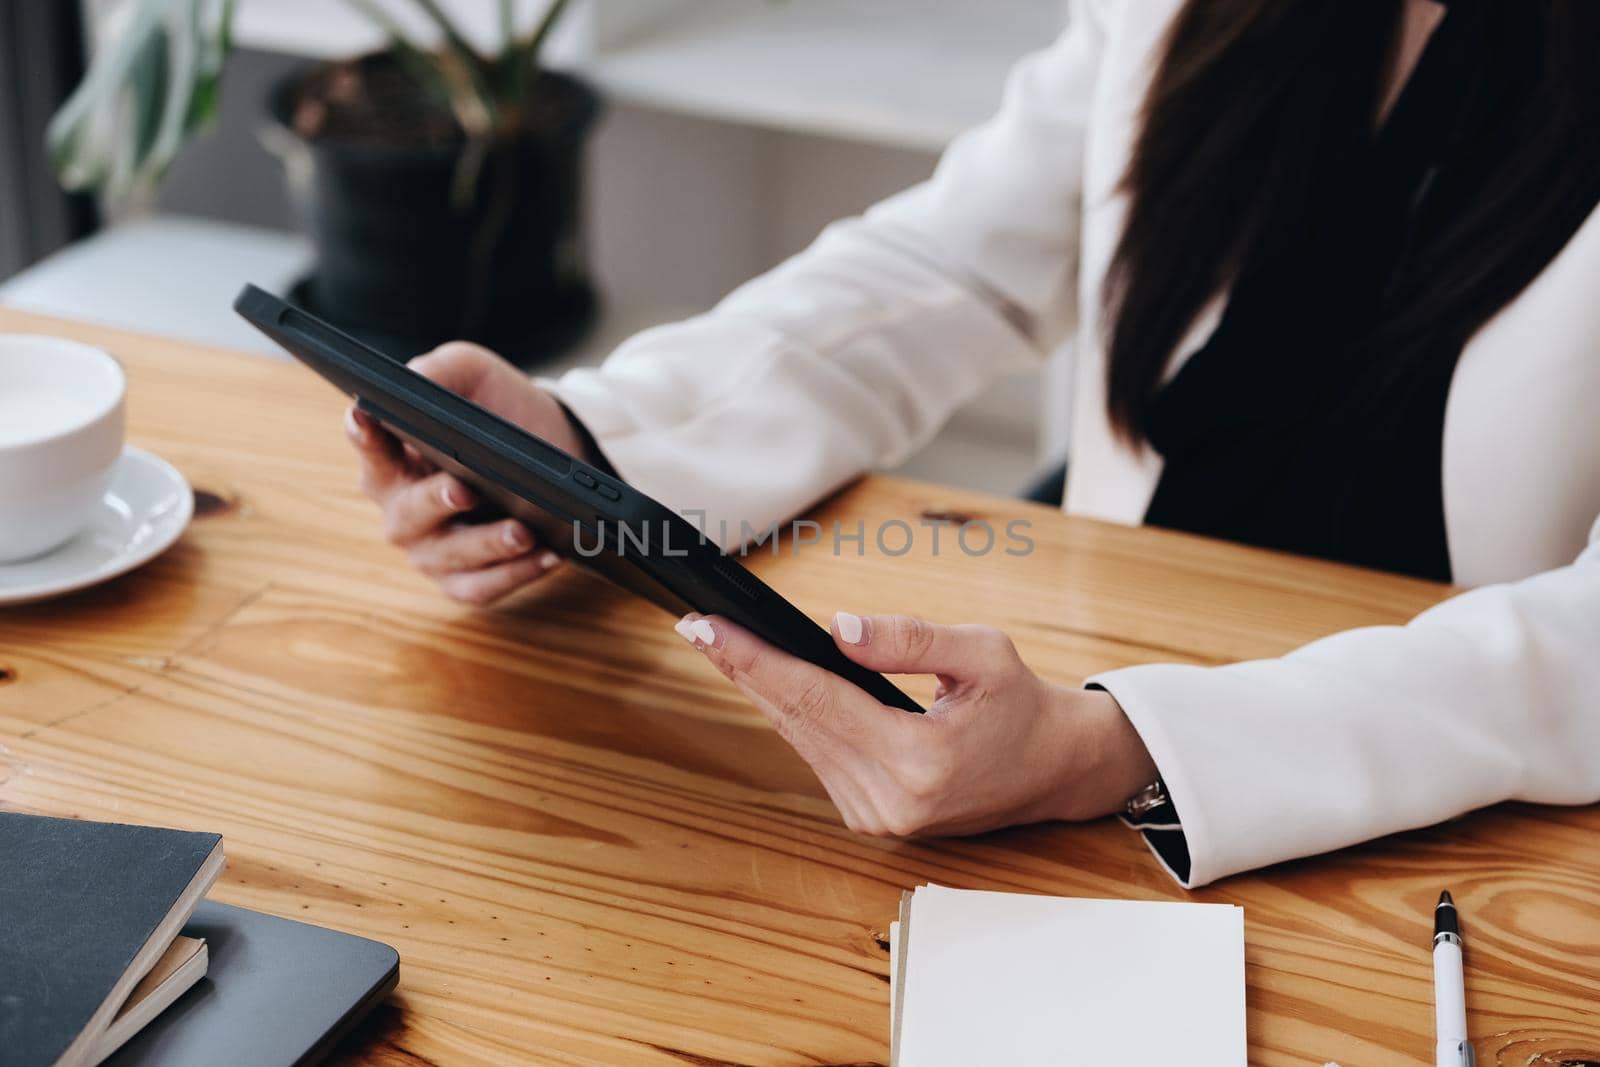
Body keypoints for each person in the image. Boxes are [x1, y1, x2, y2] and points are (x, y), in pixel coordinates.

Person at [343, 0, 1600, 888]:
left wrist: (1119, 749)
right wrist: (586, 448)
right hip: (1111, 639)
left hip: (1446, 796)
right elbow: (953, 266)